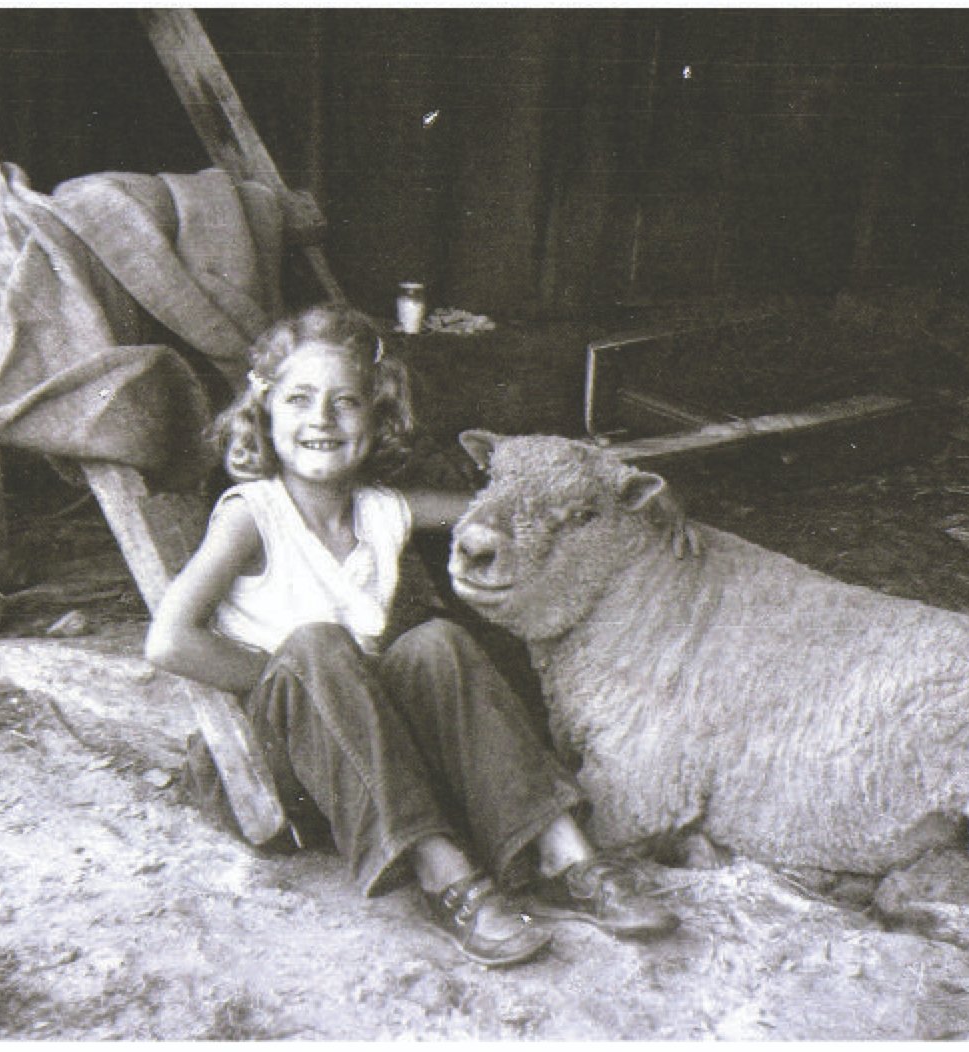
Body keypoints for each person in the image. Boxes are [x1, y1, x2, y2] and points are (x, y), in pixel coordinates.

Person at [146, 304, 686, 968]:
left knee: (435, 642)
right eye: (299, 400)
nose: (322, 419)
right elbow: (168, 642)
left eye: (346, 403)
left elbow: (511, 509)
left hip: (380, 770)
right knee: (319, 644)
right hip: (287, 773)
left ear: (377, 419)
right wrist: (308, 680)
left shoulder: (382, 510)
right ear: (264, 412)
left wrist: (626, 495)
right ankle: (446, 879)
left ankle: (562, 855)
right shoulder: (251, 516)